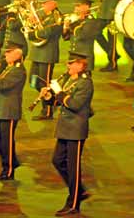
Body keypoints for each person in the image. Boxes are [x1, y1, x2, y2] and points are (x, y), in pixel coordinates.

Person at [49, 51, 94, 216]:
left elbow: (74, 104)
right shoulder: (70, 79)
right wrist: (49, 96)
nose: (68, 65)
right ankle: (79, 190)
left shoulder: (85, 83)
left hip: (75, 129)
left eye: (71, 63)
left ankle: (74, 203)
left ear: (81, 65)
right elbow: (61, 100)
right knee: (57, 160)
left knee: (73, 167)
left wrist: (59, 93)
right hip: (65, 128)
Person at [0, 42, 26, 181]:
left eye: (8, 52)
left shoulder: (18, 71)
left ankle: (8, 170)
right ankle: (12, 160)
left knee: (7, 142)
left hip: (9, 110)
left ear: (17, 54)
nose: (5, 55)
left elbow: (2, 85)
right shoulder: (9, 68)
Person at [83, 0, 125, 72]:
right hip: (105, 9)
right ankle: (112, 55)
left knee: (111, 37)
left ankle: (113, 62)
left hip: (111, 9)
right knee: (96, 32)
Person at [28, 0, 63, 120]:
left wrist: (33, 33)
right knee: (33, 81)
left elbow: (47, 32)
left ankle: (48, 110)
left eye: (45, 3)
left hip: (47, 54)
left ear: (53, 4)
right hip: (38, 53)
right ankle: (54, 100)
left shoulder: (57, 17)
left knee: (44, 83)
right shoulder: (45, 15)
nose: (42, 6)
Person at [62, 0, 101, 71]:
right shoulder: (77, 20)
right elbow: (66, 37)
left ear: (86, 7)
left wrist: (73, 24)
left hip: (84, 58)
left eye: (78, 6)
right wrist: (65, 27)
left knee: (83, 81)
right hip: (73, 55)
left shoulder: (91, 21)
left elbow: (82, 36)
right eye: (75, 6)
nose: (75, 8)